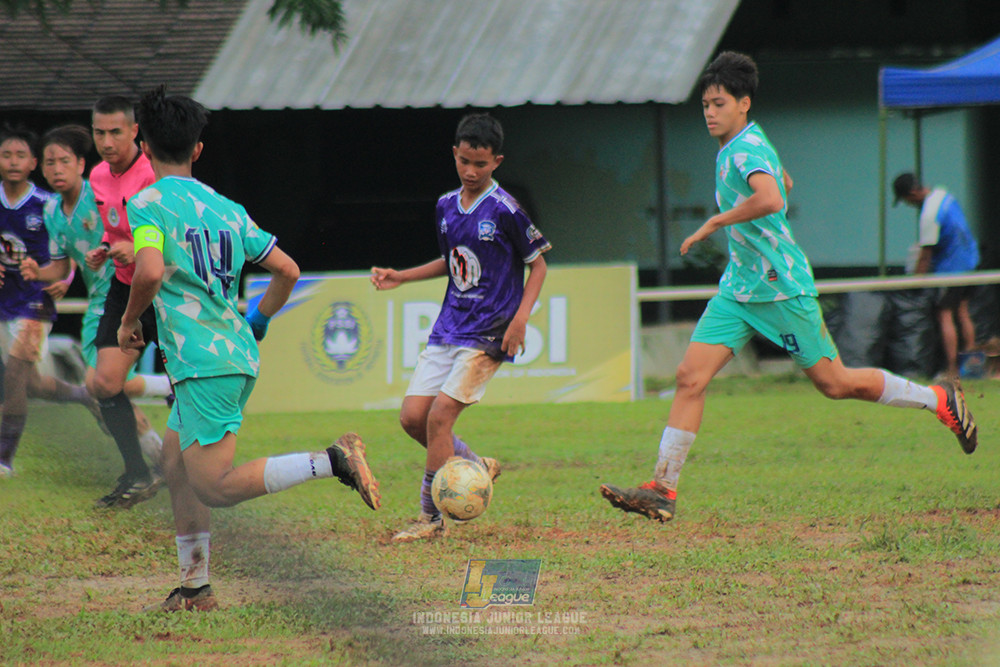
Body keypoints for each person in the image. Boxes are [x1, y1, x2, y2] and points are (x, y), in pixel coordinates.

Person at [600, 52, 979, 523]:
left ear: (744, 103)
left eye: (718, 103)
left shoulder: (744, 149)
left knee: (836, 384)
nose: (709, 112)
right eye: (705, 105)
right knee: (689, 378)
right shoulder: (741, 145)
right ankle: (663, 488)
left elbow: (773, 195)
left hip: (781, 290)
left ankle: (938, 400)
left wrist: (718, 219)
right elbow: (782, 181)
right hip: (739, 291)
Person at [118, 86, 380, 611]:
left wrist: (129, 321)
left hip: (204, 365)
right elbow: (287, 270)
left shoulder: (146, 202)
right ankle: (195, 588)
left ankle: (331, 461)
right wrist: (257, 319)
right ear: (197, 149)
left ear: (143, 146)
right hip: (230, 353)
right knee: (175, 464)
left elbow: (147, 270)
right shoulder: (226, 208)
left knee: (213, 485)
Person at [371, 113, 552, 543]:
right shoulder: (445, 206)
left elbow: (538, 264)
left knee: (439, 418)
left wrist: (521, 318)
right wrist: (403, 276)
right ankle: (475, 464)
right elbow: (452, 261)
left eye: (481, 164)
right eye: (464, 162)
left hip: (489, 331)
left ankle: (429, 519)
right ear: (455, 154)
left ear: (497, 162)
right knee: (413, 418)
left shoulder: (506, 209)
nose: (471, 172)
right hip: (449, 325)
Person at [21, 125, 169, 483]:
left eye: (64, 161)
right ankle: (158, 452)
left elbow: (141, 228)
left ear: (81, 164)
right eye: (50, 162)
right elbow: (60, 263)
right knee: (103, 389)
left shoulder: (100, 193)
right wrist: (37, 272)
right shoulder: (53, 211)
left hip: (124, 293)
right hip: (99, 303)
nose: (57, 169)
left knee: (100, 386)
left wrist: (122, 246)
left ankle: (153, 446)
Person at [0, 124, 104, 476]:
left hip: (35, 300)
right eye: (6, 155)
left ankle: (4, 459)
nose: (13, 162)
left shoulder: (47, 205)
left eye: (20, 156)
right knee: (32, 385)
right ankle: (83, 396)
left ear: (32, 164)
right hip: (3, 303)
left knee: (14, 376)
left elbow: (70, 244)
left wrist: (69, 276)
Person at [86, 96, 164, 508]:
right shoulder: (98, 176)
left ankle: (191, 472)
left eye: (115, 131)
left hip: (163, 289)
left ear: (135, 131)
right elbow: (115, 229)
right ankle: (137, 471)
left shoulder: (153, 174)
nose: (106, 141)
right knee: (104, 384)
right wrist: (105, 247)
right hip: (123, 288)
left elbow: (173, 235)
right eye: (99, 132)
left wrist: (140, 249)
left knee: (190, 388)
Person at [893, 172, 980, 379]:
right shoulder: (943, 194)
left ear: (912, 193)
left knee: (945, 314)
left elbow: (926, 253)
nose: (907, 204)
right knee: (963, 312)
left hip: (952, 270)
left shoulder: (929, 215)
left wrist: (916, 282)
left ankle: (951, 369)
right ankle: (973, 367)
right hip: (971, 261)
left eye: (906, 199)